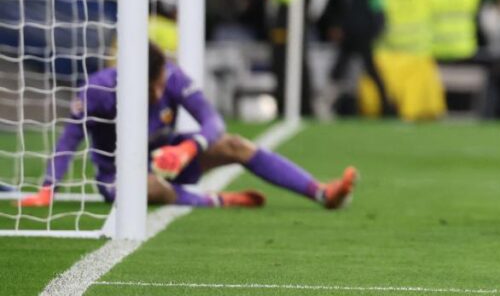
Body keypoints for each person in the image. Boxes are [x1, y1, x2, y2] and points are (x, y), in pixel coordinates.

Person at [19, 44, 357, 210]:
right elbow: (69, 137)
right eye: (157, 83)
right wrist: (49, 187)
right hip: (120, 177)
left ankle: (321, 193)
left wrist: (188, 148)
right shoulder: (99, 92)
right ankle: (217, 200)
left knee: (235, 144)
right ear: (141, 82)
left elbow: (213, 121)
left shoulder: (173, 77)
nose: (163, 87)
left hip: (173, 157)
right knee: (147, 188)